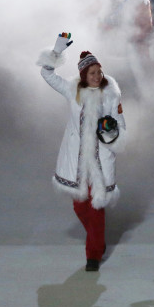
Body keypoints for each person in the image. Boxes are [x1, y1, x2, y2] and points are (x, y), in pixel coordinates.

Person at [37, 36, 126, 272]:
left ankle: (93, 255)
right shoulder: (71, 90)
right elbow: (47, 74)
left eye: (99, 71)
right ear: (84, 76)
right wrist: (56, 51)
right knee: (80, 207)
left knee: (97, 209)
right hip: (76, 160)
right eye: (92, 72)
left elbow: (120, 126)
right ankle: (97, 240)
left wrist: (109, 130)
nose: (97, 76)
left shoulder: (111, 94)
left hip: (100, 160)